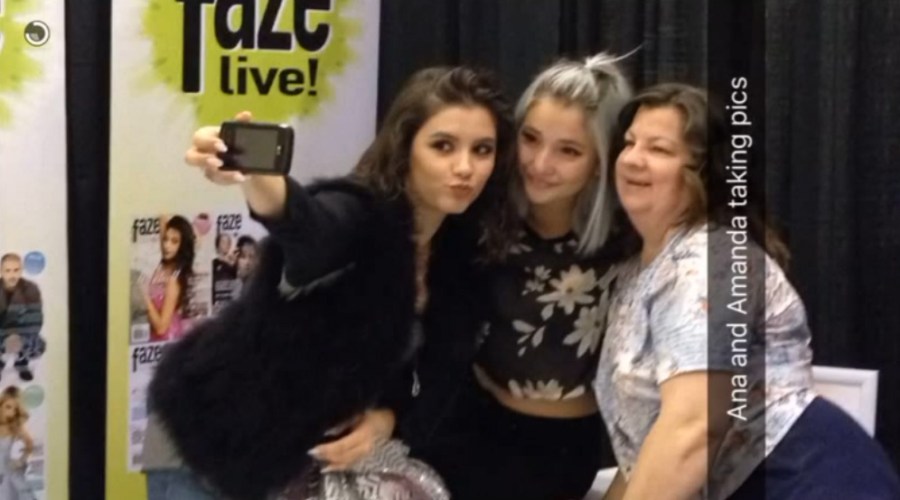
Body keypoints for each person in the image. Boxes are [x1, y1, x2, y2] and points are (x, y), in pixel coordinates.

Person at [146, 65, 516, 500]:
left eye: (482, 150)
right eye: (443, 146)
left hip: (282, 465)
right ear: (405, 148)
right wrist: (257, 173)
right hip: (204, 439)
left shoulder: (462, 254)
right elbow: (306, 224)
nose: (465, 167)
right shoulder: (359, 213)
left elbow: (439, 371)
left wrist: (388, 420)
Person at [595, 83, 900, 499]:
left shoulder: (709, 263)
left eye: (659, 149)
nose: (632, 158)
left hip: (805, 479)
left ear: (703, 173)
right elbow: (646, 453)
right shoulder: (636, 272)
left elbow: (693, 431)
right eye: (629, 142)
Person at [415, 53, 632, 500]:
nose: (539, 163)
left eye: (568, 151)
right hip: (463, 418)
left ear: (600, 160)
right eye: (530, 139)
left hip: (558, 447)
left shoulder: (626, 240)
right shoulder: (482, 217)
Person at [142, 215, 196, 342]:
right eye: (165, 239)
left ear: (182, 246)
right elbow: (163, 218)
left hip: (166, 339)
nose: (167, 245)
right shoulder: (163, 265)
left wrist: (144, 297)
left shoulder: (173, 280)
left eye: (174, 241)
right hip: (154, 338)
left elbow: (161, 328)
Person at [0, 254, 45, 382]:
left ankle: (21, 362)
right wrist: (7, 335)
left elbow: (35, 319)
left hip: (23, 332)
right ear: (1, 271)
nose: (12, 275)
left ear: (21, 270)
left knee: (35, 343)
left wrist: (16, 335)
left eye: (16, 270)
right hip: (1, 332)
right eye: (8, 270)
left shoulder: (31, 289)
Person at [0, 386, 36, 500]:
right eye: (8, 407)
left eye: (14, 409)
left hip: (9, 475)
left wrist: (21, 461)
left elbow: (30, 445)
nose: (11, 413)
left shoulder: (15, 428)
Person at [210, 232, 237, 310]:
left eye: (228, 242)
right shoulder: (213, 263)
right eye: (223, 242)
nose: (226, 244)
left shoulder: (234, 263)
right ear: (217, 245)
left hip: (230, 301)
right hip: (217, 302)